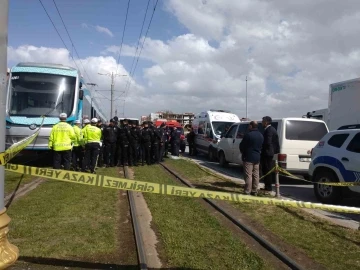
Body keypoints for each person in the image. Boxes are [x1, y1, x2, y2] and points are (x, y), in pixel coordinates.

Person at [240, 121, 264, 196]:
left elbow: (242, 146)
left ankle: (247, 191)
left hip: (248, 157)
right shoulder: (261, 135)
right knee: (256, 175)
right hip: (257, 157)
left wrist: (243, 152)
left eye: (249, 125)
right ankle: (254, 190)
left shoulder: (248, 135)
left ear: (251, 126)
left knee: (248, 175)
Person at [260, 116, 280, 194]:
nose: (262, 123)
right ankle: (267, 186)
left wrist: (262, 148)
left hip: (267, 153)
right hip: (269, 152)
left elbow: (267, 142)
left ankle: (268, 187)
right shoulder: (270, 129)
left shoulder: (269, 130)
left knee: (267, 169)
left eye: (263, 121)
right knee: (266, 169)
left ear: (266, 122)